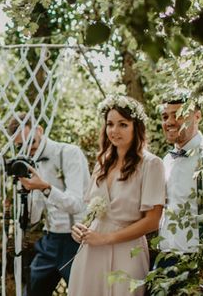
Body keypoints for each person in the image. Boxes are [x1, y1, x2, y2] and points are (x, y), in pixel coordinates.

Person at [68, 94, 165, 296]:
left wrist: (106, 238)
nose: (114, 130)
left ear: (135, 126)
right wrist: (80, 227)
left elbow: (153, 221)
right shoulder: (102, 162)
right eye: (110, 124)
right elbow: (91, 210)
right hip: (91, 251)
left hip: (127, 251)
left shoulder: (151, 164)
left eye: (123, 124)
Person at [8, 117, 89, 296]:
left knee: (82, 292)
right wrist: (25, 193)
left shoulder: (69, 153)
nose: (29, 149)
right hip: (51, 240)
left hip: (77, 240)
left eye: (31, 142)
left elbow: (76, 204)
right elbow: (34, 218)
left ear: (40, 130)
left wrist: (44, 187)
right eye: (21, 146)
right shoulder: (30, 163)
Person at [155, 90, 203, 267]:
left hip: (199, 258)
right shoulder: (166, 160)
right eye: (165, 116)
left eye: (178, 115)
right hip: (165, 256)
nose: (169, 122)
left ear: (197, 116)